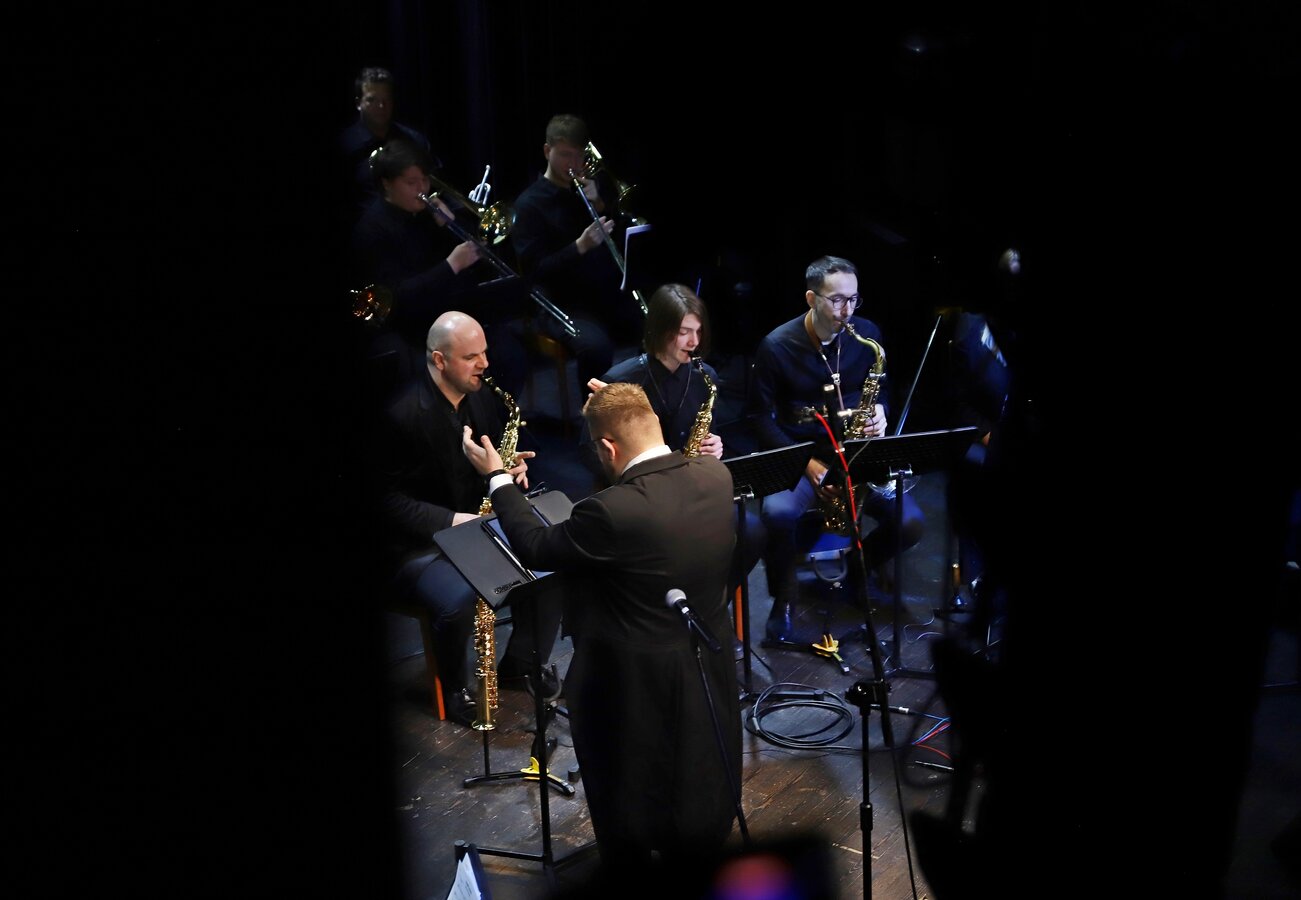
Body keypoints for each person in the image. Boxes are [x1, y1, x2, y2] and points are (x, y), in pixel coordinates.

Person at [462, 382, 742, 873]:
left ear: (607, 448)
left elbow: (536, 546)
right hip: (706, 662)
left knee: (625, 793)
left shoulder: (611, 511)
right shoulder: (716, 474)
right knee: (699, 775)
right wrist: (619, 403)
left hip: (629, 680)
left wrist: (498, 478)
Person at [369, 312, 561, 726]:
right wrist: (452, 519)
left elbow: (489, 466)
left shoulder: (482, 397)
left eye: (485, 353)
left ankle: (520, 665)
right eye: (471, 357)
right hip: (415, 547)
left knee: (548, 563)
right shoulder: (399, 415)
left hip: (476, 528)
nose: (485, 365)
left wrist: (505, 472)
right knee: (457, 599)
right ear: (439, 360)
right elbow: (386, 501)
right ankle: (454, 689)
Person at [750, 255, 925, 641]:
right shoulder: (776, 346)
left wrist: (881, 411)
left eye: (853, 299)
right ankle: (784, 600)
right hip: (802, 456)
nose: (847, 311)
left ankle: (860, 569)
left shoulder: (867, 335)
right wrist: (806, 463)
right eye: (837, 300)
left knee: (910, 522)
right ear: (811, 298)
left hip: (857, 454)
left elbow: (884, 390)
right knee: (777, 514)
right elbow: (759, 419)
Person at [584, 283, 765, 592]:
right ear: (661, 329)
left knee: (753, 533)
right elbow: (590, 453)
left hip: (691, 487)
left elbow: (708, 431)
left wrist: (716, 445)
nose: (695, 342)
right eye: (684, 332)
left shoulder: (705, 377)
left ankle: (710, 602)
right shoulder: (621, 379)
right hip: (643, 493)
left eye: (698, 331)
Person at [350, 139, 529, 398]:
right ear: (387, 184)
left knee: (510, 354)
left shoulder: (428, 213)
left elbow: (479, 262)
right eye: (411, 183)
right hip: (409, 328)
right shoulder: (371, 229)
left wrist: (450, 224)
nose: (422, 189)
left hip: (451, 312)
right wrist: (450, 266)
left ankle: (491, 419)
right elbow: (396, 297)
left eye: (425, 180)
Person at [509, 113, 640, 396]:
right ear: (548, 151)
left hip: (602, 294)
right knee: (596, 348)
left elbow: (620, 242)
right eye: (566, 155)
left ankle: (644, 404)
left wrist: (601, 205)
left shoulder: (589, 192)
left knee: (652, 322)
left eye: (579, 156)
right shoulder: (529, 204)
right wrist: (579, 247)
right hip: (559, 301)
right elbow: (533, 271)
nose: (573, 164)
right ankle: (592, 415)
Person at [339, 66, 440, 223]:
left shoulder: (414, 140)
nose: (381, 106)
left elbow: (437, 184)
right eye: (372, 100)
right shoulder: (345, 145)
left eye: (386, 99)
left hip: (414, 227)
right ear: (359, 103)